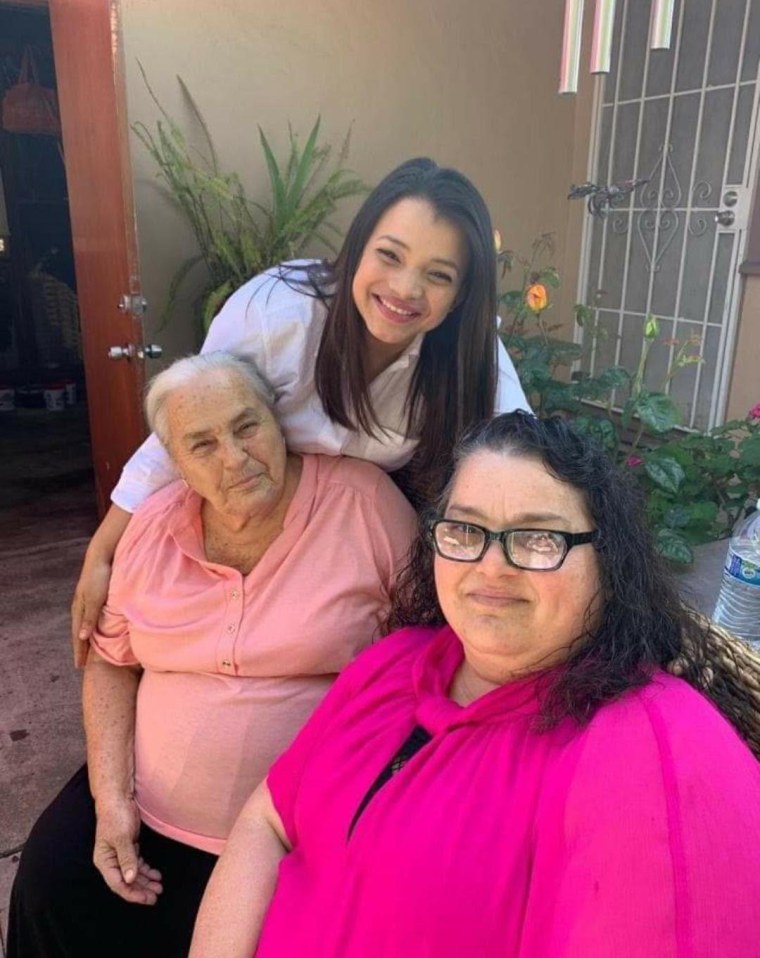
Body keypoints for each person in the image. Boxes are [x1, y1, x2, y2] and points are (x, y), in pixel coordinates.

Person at [190, 411, 760, 958]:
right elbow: (269, 818)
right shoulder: (395, 664)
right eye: (465, 529)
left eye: (539, 539)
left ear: (607, 564)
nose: (491, 567)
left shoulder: (642, 744)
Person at [8, 352, 416, 958]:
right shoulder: (151, 527)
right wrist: (112, 800)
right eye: (202, 444)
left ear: (277, 422)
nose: (235, 456)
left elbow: (427, 650)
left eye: (246, 426)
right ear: (176, 464)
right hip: (147, 806)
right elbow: (112, 660)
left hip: (298, 829)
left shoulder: (363, 505)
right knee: (50, 879)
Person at [71, 156, 529, 663]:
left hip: (369, 537)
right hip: (264, 515)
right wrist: (104, 549)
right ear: (357, 247)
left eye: (438, 275)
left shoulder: (470, 355)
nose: (405, 289)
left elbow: (520, 462)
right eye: (390, 256)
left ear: (462, 295)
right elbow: (188, 425)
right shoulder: (277, 314)